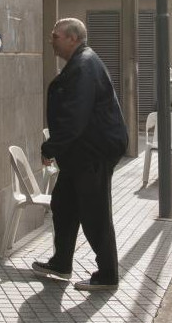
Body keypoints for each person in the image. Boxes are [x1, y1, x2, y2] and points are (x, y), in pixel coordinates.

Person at [32, 18, 128, 292]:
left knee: (95, 211)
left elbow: (75, 115)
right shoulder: (81, 63)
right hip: (82, 151)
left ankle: (108, 274)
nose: (51, 40)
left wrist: (51, 147)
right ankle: (61, 262)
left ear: (73, 38)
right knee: (63, 204)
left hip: (93, 151)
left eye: (56, 36)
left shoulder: (84, 66)